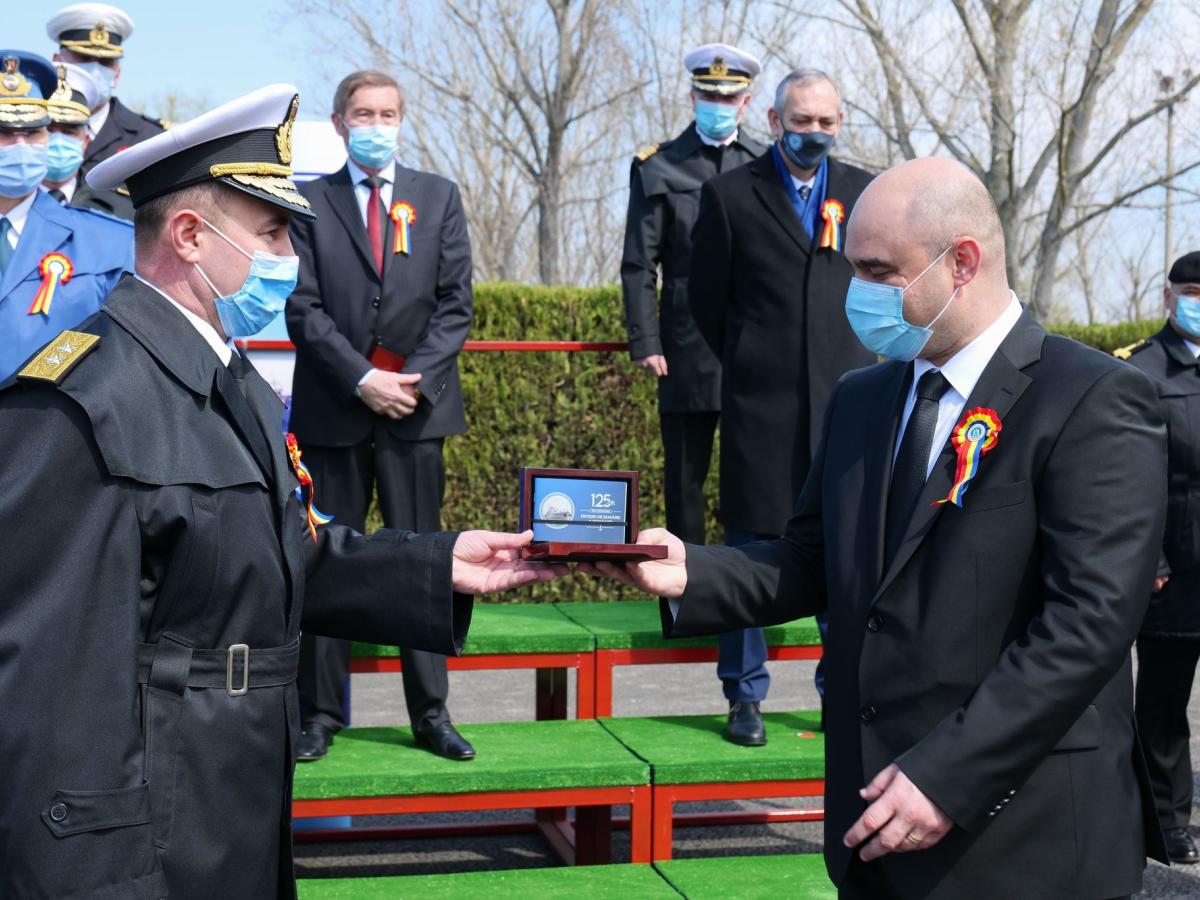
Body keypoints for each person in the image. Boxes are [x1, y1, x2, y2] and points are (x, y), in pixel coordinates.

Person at [0, 83, 562, 900]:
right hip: (146, 838)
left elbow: (278, 553)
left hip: (234, 799)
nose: (288, 257)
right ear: (189, 236)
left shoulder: (233, 378)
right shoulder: (76, 406)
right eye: (270, 233)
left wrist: (438, 565)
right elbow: (45, 685)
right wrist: (91, 874)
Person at [592, 157, 1169, 898]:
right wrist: (688, 570)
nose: (856, 293)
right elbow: (812, 558)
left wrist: (948, 775)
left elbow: (1088, 624)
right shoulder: (862, 397)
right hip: (871, 829)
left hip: (1027, 839)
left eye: (877, 271)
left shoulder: (1092, 397)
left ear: (963, 263)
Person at [286, 70, 475, 762]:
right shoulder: (308, 202)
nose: (376, 125)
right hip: (335, 411)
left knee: (422, 558)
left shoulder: (438, 196)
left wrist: (408, 383)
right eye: (363, 114)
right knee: (326, 561)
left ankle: (431, 712)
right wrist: (362, 379)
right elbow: (301, 306)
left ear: (402, 120)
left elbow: (456, 303)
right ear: (340, 123)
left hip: (415, 415)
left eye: (387, 114)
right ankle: (320, 713)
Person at [687, 68, 875, 745]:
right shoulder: (729, 195)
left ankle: (839, 690)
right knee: (749, 555)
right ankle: (744, 696)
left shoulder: (864, 192)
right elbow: (707, 301)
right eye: (801, 121)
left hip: (848, 403)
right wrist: (752, 361)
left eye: (826, 122)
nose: (813, 133)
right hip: (760, 411)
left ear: (840, 123)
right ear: (773, 121)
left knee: (845, 553)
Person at [621, 42, 765, 557]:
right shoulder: (659, 166)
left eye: (728, 97)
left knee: (757, 476)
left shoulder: (764, 164)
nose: (718, 104)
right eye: (709, 95)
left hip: (756, 344)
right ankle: (683, 588)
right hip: (685, 347)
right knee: (685, 480)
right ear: (692, 97)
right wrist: (645, 339)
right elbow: (639, 263)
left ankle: (752, 582)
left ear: (746, 103)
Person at [1117, 250, 1200, 866]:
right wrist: (1154, 562)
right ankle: (1167, 821)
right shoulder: (1141, 370)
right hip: (1176, 570)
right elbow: (1131, 479)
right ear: (1169, 297)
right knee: (1164, 704)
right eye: (1193, 293)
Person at [0, 50, 132, 379]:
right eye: (4, 132)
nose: (20, 145)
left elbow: (127, 361)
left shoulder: (112, 243)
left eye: (33, 132)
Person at [46, 2, 165, 178]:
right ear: (58, 61)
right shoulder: (27, 130)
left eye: (105, 62)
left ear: (117, 73)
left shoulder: (150, 140)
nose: (95, 69)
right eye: (84, 58)